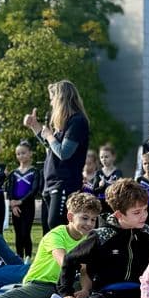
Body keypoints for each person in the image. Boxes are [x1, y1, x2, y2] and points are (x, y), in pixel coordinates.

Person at [0, 190, 99, 298]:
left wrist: (85, 290)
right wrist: (67, 292)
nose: (89, 223)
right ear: (70, 217)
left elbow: (84, 270)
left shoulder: (88, 239)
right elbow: (65, 263)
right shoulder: (56, 235)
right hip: (42, 283)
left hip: (66, 283)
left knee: (95, 284)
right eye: (85, 218)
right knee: (20, 297)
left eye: (93, 220)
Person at [46, 178, 149, 298]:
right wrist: (66, 293)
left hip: (139, 294)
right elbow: (70, 259)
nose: (144, 215)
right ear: (119, 215)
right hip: (108, 293)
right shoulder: (102, 235)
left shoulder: (147, 233)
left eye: (145, 209)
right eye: (137, 212)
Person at [26, 80, 91, 232]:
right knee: (48, 230)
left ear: (61, 98)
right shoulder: (63, 123)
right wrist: (35, 127)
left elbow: (63, 153)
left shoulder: (77, 121)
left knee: (56, 224)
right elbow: (52, 147)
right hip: (50, 182)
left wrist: (49, 135)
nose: (51, 103)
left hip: (64, 183)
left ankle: (71, 249)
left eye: (52, 99)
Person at [7, 141, 38, 258]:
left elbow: (34, 190)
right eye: (18, 154)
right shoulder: (14, 173)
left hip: (28, 206)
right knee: (18, 234)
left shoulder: (34, 171)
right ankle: (19, 257)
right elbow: (10, 190)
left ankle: (28, 258)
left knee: (25, 233)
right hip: (16, 207)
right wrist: (13, 205)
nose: (20, 156)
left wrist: (21, 201)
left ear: (30, 153)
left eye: (23, 153)